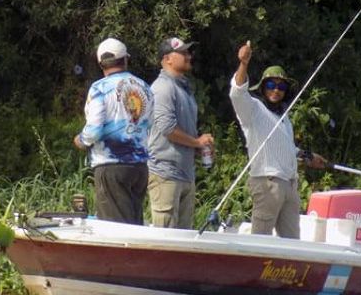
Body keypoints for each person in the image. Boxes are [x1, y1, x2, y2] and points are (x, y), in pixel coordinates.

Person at [229, 41, 326, 238]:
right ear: (263, 87)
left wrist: (307, 156)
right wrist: (244, 63)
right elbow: (237, 93)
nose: (276, 90)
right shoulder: (253, 109)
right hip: (268, 182)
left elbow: (286, 147)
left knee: (291, 243)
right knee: (261, 239)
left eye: (281, 86)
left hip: (290, 185)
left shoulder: (285, 117)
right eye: (271, 85)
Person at [74, 37, 154, 225]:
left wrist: (81, 140)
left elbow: (94, 130)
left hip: (110, 166)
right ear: (125, 59)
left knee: (116, 229)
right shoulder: (144, 86)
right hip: (140, 166)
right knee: (135, 225)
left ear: (101, 63)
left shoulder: (99, 88)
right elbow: (149, 122)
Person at [147, 37, 215, 229]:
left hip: (185, 173)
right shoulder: (162, 87)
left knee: (183, 236)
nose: (188, 56)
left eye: (189, 52)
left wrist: (199, 147)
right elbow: (167, 128)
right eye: (183, 53)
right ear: (167, 58)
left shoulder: (183, 89)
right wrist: (197, 142)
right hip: (165, 172)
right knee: (165, 238)